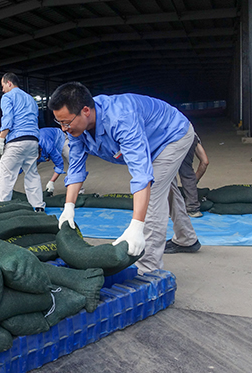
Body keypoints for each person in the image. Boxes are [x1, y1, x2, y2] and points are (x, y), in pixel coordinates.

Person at [49, 82, 201, 275]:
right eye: (60, 123)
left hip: (171, 135)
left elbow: (141, 176)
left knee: (153, 193)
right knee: (164, 188)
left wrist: (137, 226)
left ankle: (148, 271)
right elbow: (76, 167)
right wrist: (68, 207)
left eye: (66, 122)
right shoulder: (78, 129)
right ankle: (186, 238)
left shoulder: (121, 119)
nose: (64, 129)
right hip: (151, 138)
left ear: (85, 110)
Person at [0, 72, 45, 212]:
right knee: (32, 174)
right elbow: (36, 119)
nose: (2, 89)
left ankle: (2, 208)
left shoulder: (8, 97)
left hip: (17, 140)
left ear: (9, 83)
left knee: (6, 174)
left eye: (3, 85)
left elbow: (8, 118)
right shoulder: (31, 99)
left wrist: (1, 139)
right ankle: (38, 206)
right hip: (33, 140)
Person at [178, 134, 209, 217]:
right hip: (187, 138)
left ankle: (168, 208)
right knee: (187, 173)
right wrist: (192, 182)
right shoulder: (191, 133)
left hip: (166, 138)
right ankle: (193, 208)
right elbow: (205, 162)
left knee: (166, 175)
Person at [37, 127, 69, 194]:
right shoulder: (27, 150)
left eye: (36, 157)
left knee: (72, 160)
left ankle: (78, 190)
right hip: (45, 138)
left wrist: (51, 181)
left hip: (61, 139)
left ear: (40, 150)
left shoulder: (48, 146)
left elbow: (59, 165)